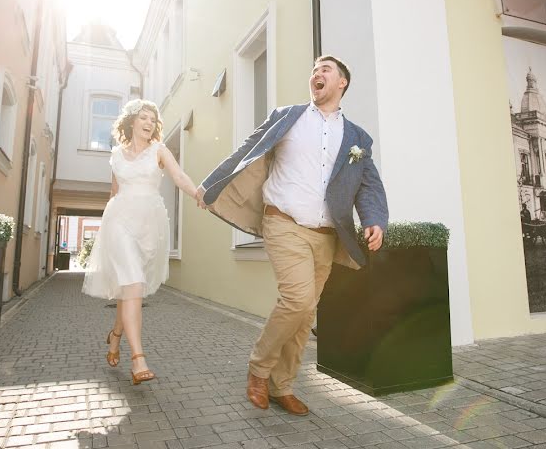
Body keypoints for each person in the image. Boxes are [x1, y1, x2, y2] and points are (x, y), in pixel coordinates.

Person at [196, 55, 388, 415]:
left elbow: (368, 184)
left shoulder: (357, 137)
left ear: (342, 82)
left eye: (325, 70)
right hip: (282, 222)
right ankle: (258, 370)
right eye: (314, 69)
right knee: (297, 301)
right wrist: (211, 184)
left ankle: (281, 385)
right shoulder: (289, 116)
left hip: (327, 235)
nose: (316, 73)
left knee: (305, 314)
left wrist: (375, 219)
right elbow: (247, 150)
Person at [82, 99, 199, 385]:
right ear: (132, 121)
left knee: (130, 288)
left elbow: (179, 176)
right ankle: (138, 359)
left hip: (149, 225)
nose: (149, 123)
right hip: (120, 222)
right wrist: (105, 235)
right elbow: (114, 193)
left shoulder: (159, 150)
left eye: (152, 119)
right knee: (133, 282)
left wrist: (198, 194)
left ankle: (115, 337)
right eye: (144, 117)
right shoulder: (116, 156)